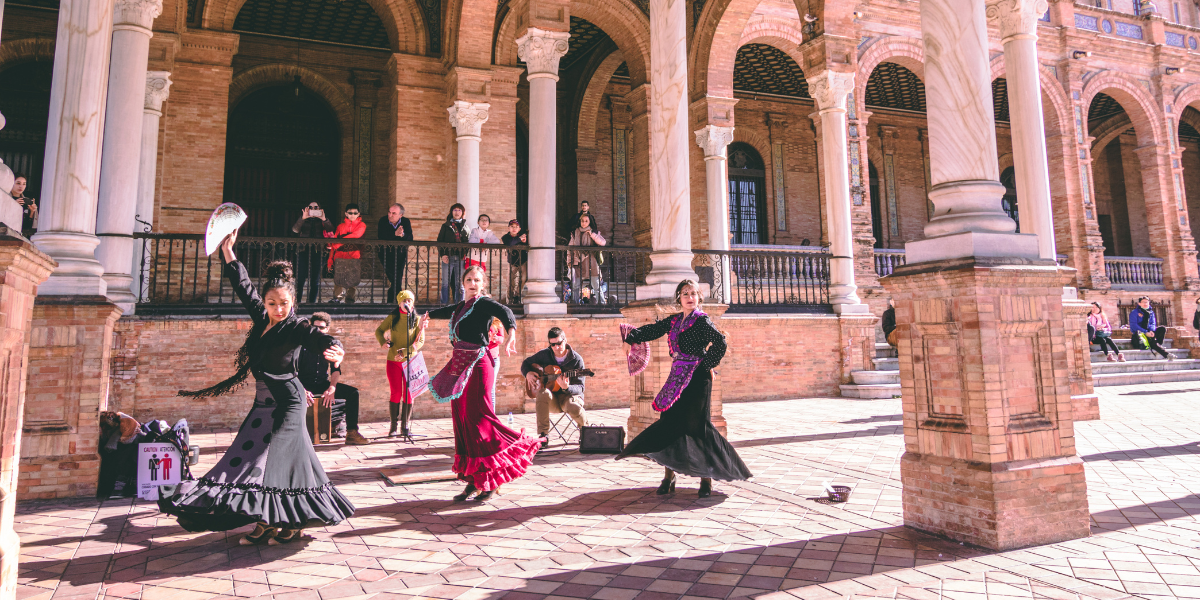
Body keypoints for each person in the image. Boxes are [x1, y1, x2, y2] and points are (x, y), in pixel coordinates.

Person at [158, 231, 355, 545]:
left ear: (293, 304)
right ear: (265, 303)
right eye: (272, 303)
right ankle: (267, 520)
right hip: (263, 403)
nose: (278, 309)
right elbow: (243, 287)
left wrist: (335, 347)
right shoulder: (263, 319)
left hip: (289, 402)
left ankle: (289, 522)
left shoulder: (296, 326)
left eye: (284, 304)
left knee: (278, 462)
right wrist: (228, 253)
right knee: (247, 460)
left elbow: (318, 339)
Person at [617, 280, 752, 498]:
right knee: (669, 424)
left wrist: (705, 365)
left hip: (698, 379)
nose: (689, 297)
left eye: (693, 293)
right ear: (678, 298)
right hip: (676, 377)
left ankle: (706, 479)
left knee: (698, 427)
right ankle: (669, 476)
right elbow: (653, 330)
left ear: (699, 297)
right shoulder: (674, 321)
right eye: (685, 293)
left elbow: (720, 343)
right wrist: (631, 337)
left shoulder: (702, 321)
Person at [427, 266, 539, 502]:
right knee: (462, 419)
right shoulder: (461, 307)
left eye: (477, 280)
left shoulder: (483, 303)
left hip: (478, 364)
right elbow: (445, 311)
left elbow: (506, 311)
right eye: (469, 279)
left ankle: (491, 479)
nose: (473, 283)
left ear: (483, 284)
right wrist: (425, 315)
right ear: (462, 283)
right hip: (460, 364)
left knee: (479, 418)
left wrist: (512, 335)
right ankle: (473, 481)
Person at [300, 312, 370, 445]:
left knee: (352, 393)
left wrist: (332, 387)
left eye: (321, 328)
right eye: (315, 328)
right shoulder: (303, 345)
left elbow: (336, 369)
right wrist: (301, 389)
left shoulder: (329, 345)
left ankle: (352, 433)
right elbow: (292, 372)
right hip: (303, 385)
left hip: (321, 383)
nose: (318, 331)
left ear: (327, 329)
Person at [521, 327, 589, 449]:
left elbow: (580, 388)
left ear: (565, 340)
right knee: (542, 393)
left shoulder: (576, 360)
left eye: (559, 343)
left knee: (573, 407)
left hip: (569, 397)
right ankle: (543, 435)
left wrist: (566, 387)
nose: (556, 347)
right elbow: (525, 363)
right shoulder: (545, 354)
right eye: (553, 344)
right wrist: (528, 373)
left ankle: (586, 432)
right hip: (552, 399)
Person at [375, 290, 426, 438]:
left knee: (409, 394)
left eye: (410, 300)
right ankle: (393, 427)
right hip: (393, 361)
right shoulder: (393, 318)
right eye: (404, 301)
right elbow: (379, 331)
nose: (407, 303)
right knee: (396, 392)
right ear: (399, 303)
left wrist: (405, 352)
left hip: (411, 362)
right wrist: (383, 342)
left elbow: (420, 342)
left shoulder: (416, 320)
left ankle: (405, 426)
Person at [292, 202, 333, 303]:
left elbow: (331, 230)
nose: (313, 209)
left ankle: (312, 303)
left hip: (318, 252)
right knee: (300, 279)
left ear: (320, 209)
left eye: (316, 207)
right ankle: (297, 303)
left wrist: (324, 219)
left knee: (315, 280)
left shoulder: (322, 220)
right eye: (310, 207)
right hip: (303, 251)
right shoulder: (303, 219)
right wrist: (303, 218)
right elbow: (295, 230)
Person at [328, 204, 366, 303]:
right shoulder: (340, 226)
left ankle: (350, 299)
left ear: (359, 214)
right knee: (338, 279)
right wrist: (330, 260)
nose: (352, 215)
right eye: (350, 213)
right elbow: (333, 244)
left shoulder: (362, 225)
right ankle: (337, 298)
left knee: (352, 279)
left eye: (355, 213)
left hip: (354, 256)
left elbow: (356, 236)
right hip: (340, 256)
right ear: (346, 213)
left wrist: (338, 243)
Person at [377, 203, 413, 301]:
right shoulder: (383, 220)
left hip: (400, 254)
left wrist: (402, 235)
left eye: (394, 213)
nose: (390, 215)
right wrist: (394, 233)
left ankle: (392, 302)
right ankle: (395, 302)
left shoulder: (405, 222)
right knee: (395, 279)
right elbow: (381, 236)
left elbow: (410, 238)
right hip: (385, 254)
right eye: (389, 212)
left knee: (397, 279)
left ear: (400, 215)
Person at [567, 214, 606, 304]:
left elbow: (603, 242)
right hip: (578, 262)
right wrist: (569, 262)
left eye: (586, 221)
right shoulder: (575, 232)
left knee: (596, 285)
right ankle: (575, 304)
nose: (584, 223)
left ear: (589, 222)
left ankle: (602, 304)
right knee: (575, 286)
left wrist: (592, 234)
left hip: (591, 262)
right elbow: (570, 249)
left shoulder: (594, 232)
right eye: (582, 221)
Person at [438, 203, 470, 304]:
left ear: (462, 213)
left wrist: (465, 254)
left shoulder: (465, 227)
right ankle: (444, 305)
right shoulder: (446, 226)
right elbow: (440, 241)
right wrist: (443, 255)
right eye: (455, 210)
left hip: (460, 258)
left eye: (459, 210)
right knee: (445, 283)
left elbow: (468, 242)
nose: (457, 212)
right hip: (448, 257)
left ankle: (459, 306)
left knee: (460, 283)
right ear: (451, 212)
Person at [1130, 296, 1173, 360]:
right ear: (1139, 304)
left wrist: (1151, 331)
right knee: (1151, 341)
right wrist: (1145, 332)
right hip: (1139, 334)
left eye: (1147, 302)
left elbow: (1153, 323)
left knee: (1162, 329)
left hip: (1149, 332)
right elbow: (1134, 325)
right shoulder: (1134, 312)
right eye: (1143, 302)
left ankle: (1158, 345)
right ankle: (1166, 354)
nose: (1145, 304)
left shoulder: (1151, 312)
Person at [501, 219, 528, 303]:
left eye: (516, 227)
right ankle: (510, 300)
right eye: (512, 226)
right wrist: (519, 239)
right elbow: (510, 243)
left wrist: (524, 241)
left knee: (523, 278)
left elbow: (528, 244)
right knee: (510, 282)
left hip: (523, 261)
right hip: (512, 262)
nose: (514, 228)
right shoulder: (505, 237)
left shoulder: (523, 237)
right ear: (509, 228)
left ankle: (517, 295)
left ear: (519, 229)